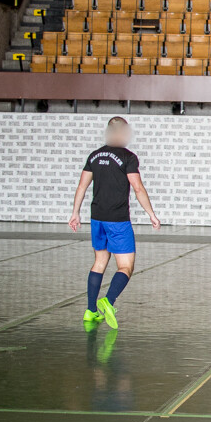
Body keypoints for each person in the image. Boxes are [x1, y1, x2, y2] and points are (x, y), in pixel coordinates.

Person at [68, 117, 160, 331]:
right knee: (126, 266)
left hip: (96, 217)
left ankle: (90, 311)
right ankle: (108, 301)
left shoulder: (95, 155)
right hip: (117, 220)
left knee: (99, 262)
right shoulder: (128, 157)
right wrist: (151, 214)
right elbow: (137, 188)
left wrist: (75, 213)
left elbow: (82, 186)